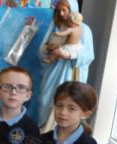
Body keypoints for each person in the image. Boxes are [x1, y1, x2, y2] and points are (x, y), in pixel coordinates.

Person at [37, 0, 94, 129]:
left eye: (64, 10)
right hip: (52, 73)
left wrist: (68, 55)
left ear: (72, 11)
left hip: (70, 73)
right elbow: (40, 52)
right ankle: (45, 135)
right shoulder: (55, 26)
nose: (61, 14)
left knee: (69, 102)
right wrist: (48, 49)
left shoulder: (83, 29)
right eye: (58, 10)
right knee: (47, 101)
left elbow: (88, 55)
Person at [0, 66, 41, 144]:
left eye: (21, 87)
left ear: (28, 95)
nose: (13, 92)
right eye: (7, 86)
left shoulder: (32, 128)